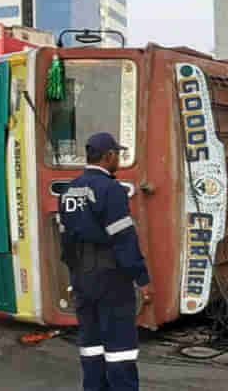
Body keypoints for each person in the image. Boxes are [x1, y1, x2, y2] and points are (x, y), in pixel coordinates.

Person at [58, 132, 153, 391]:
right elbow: (124, 240)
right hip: (111, 280)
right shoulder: (111, 190)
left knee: (91, 346)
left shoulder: (69, 191)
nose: (118, 160)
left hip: (81, 278)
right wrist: (142, 279)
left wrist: (76, 274)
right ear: (108, 156)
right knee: (120, 349)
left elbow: (65, 241)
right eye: (117, 155)